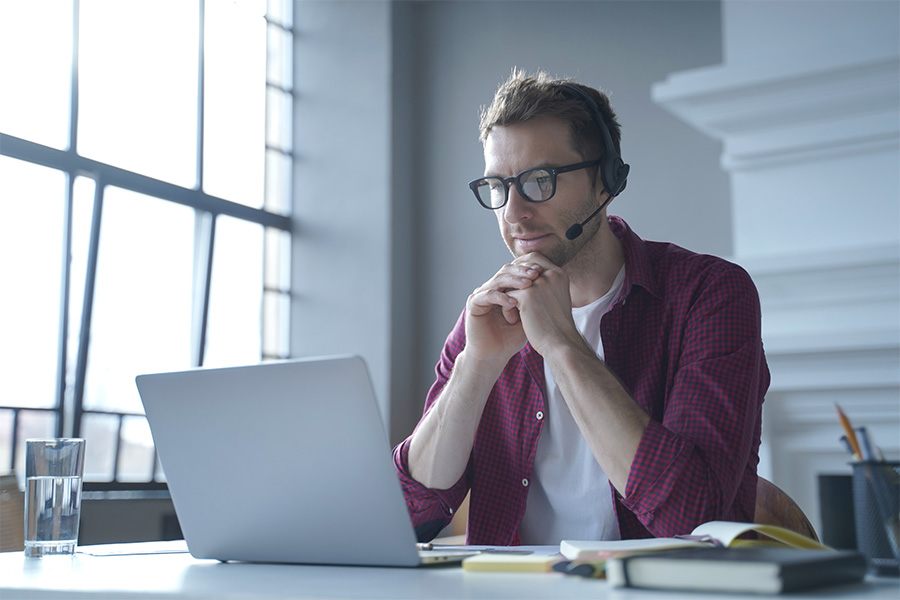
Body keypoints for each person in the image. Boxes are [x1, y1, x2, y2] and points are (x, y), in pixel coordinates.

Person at [392, 69, 769, 545]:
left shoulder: (709, 294)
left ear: (606, 182)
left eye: (539, 181)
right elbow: (408, 513)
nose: (513, 212)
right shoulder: (485, 321)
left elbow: (691, 519)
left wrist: (563, 346)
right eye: (498, 186)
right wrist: (476, 366)